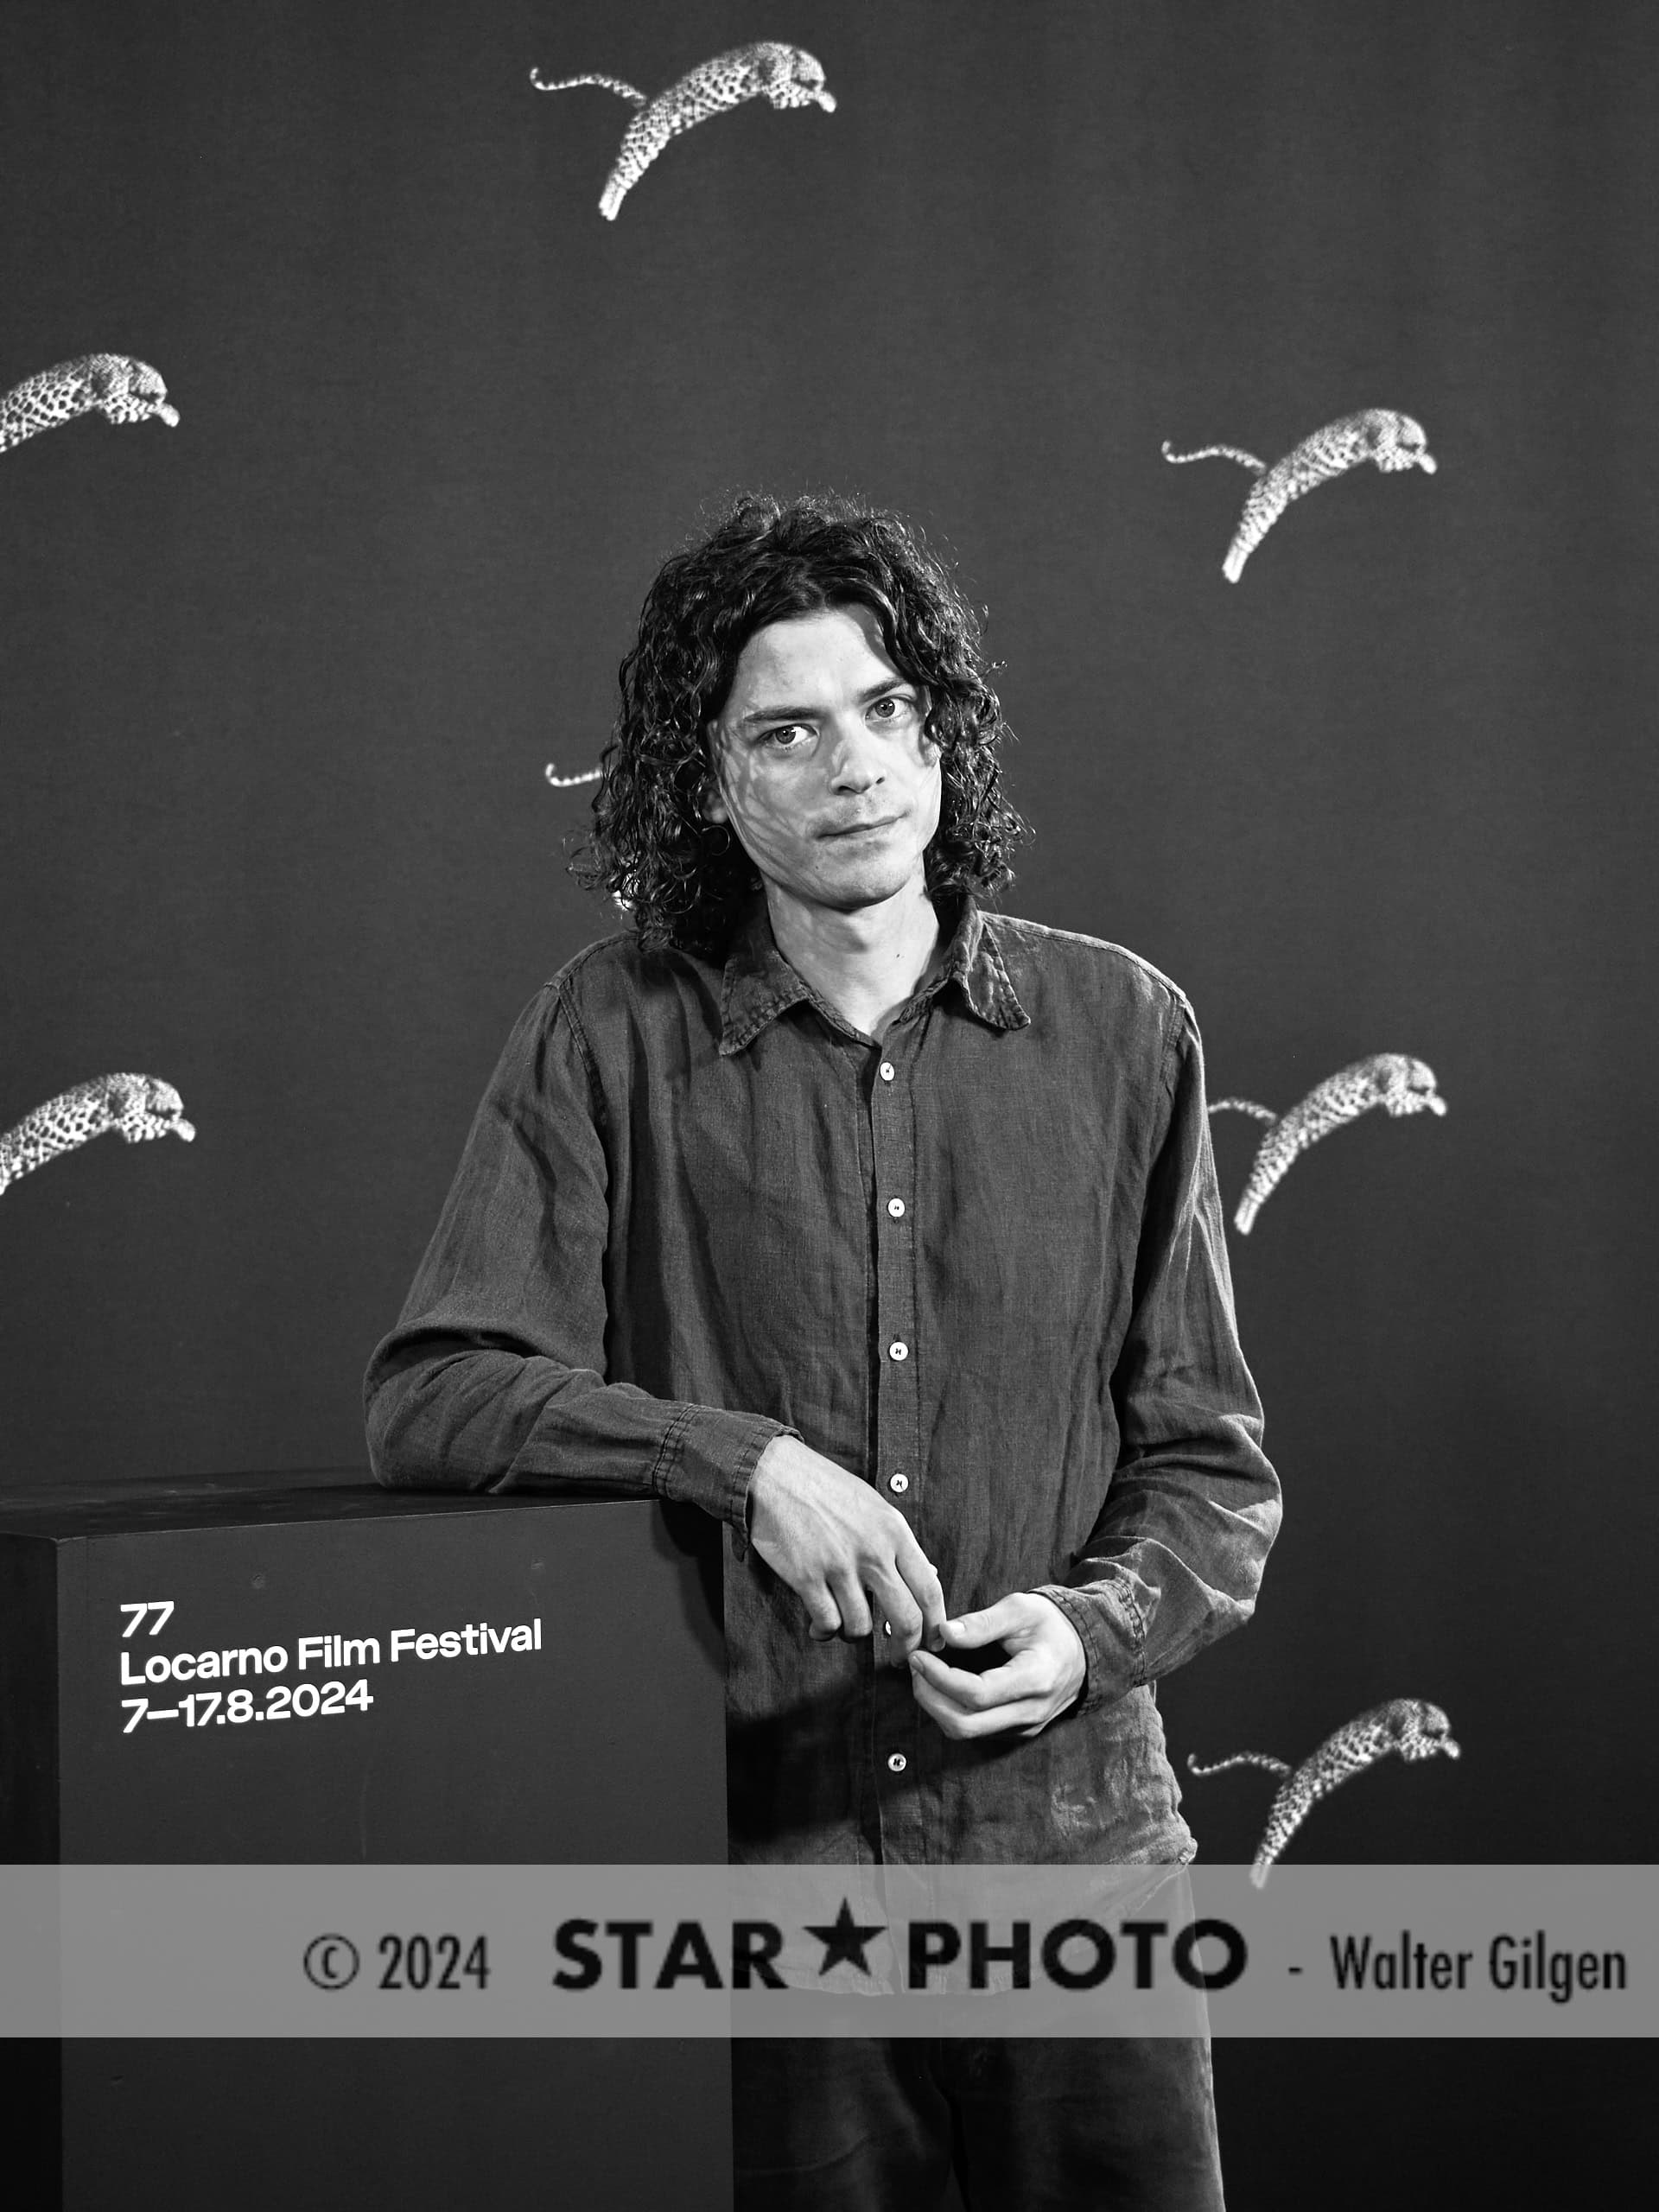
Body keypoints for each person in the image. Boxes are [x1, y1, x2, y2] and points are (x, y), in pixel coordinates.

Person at [364, 491, 1281, 2209]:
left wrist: (1091, 1635)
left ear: (941, 729)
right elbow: (434, 1391)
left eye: (887, 710)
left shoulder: (1127, 1029)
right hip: (773, 1893)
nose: (855, 765)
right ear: (714, 780)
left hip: (1083, 1869)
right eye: (786, 730)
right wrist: (738, 1460)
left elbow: (1209, 1471)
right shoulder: (607, 1030)